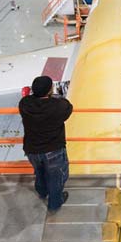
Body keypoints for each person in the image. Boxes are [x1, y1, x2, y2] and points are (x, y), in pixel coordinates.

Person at [19, 76, 73, 212]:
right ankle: (55, 203)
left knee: (39, 171)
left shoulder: (24, 104)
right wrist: (54, 97)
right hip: (52, 150)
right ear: (50, 91)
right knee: (56, 177)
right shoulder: (58, 106)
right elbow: (68, 106)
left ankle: (42, 191)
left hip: (32, 149)